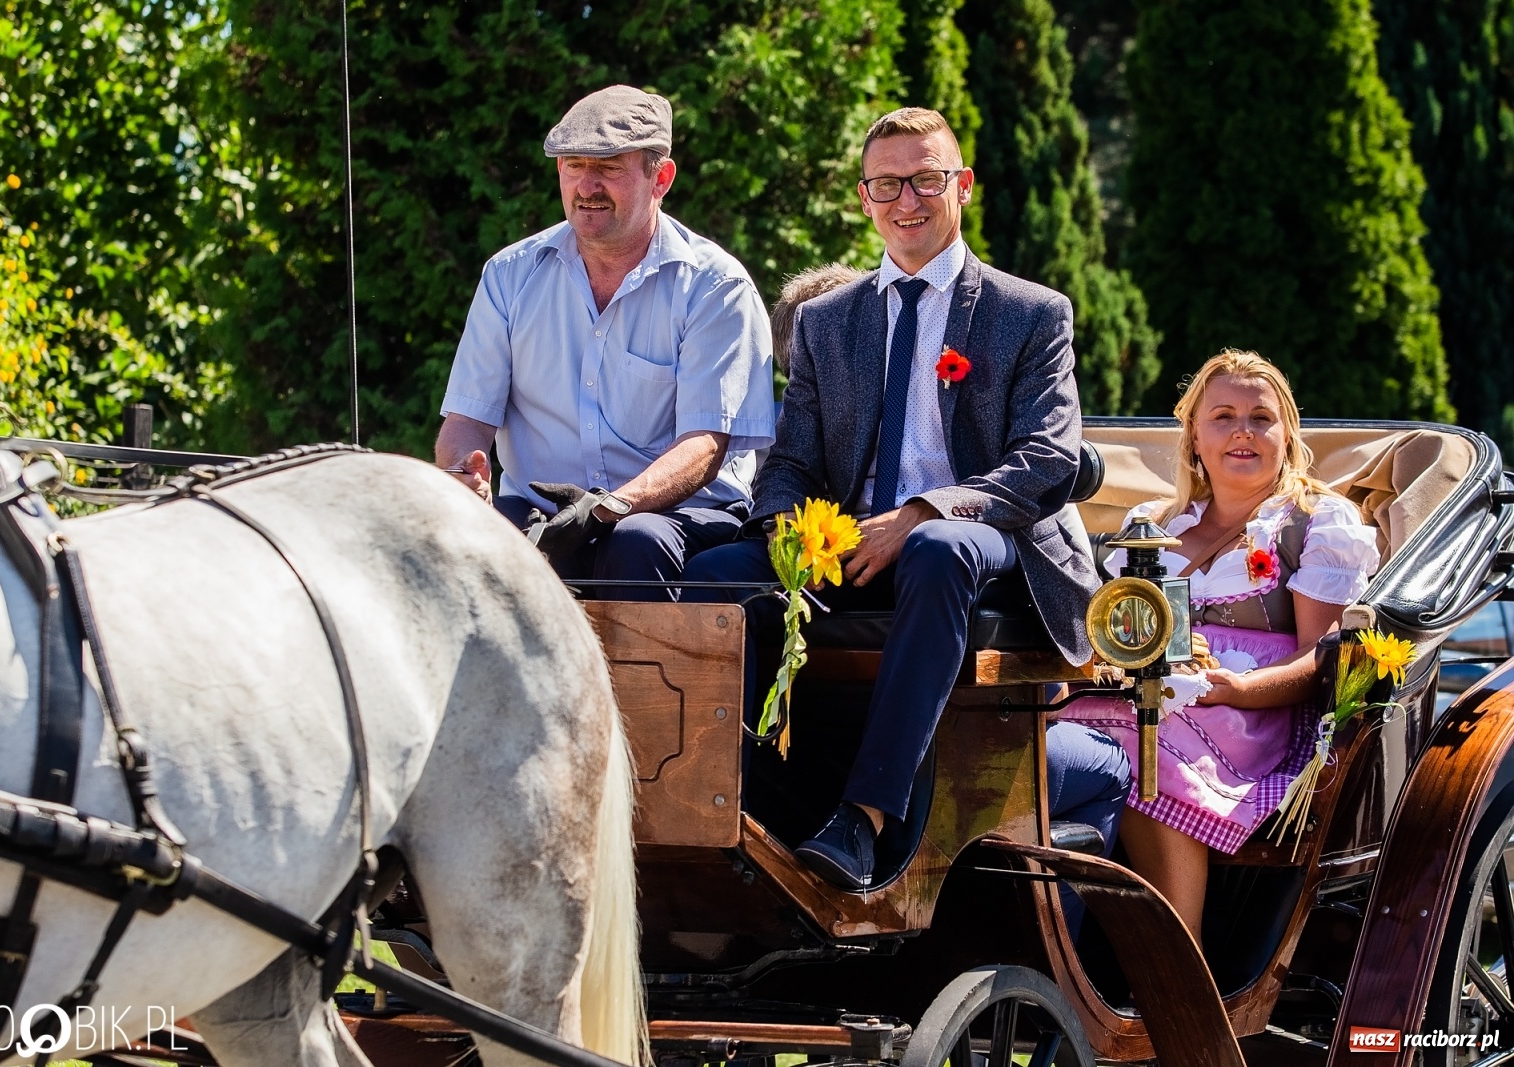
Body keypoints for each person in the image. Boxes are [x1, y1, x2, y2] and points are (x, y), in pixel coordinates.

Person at [683, 107, 1109, 891]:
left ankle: (866, 818)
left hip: (989, 539)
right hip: (848, 539)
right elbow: (790, 461)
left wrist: (924, 512)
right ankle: (728, 807)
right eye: (887, 184)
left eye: (925, 179)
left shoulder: (1031, 312)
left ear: (963, 187)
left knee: (937, 550)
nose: (906, 199)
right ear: (864, 197)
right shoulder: (824, 321)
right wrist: (792, 536)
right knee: (708, 581)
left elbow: (1047, 461)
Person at [1058, 349, 1381, 943]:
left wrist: (1240, 688)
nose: (1243, 431)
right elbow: (1123, 630)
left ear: (1287, 434)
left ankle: (1178, 962)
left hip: (1255, 712)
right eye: (1224, 416)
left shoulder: (1315, 520)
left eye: (1261, 418)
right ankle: (1065, 941)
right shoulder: (1157, 522)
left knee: (1142, 754)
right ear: (1194, 438)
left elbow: (1321, 654)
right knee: (1049, 738)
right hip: (1144, 696)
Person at [435, 85, 775, 599]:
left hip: (680, 514)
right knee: (467, 539)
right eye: (573, 164)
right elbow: (467, 419)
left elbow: (706, 446)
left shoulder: (715, 287)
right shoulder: (509, 275)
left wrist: (608, 507)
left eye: (610, 167)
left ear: (661, 178)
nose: (587, 185)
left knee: (633, 542)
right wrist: (465, 471)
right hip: (541, 512)